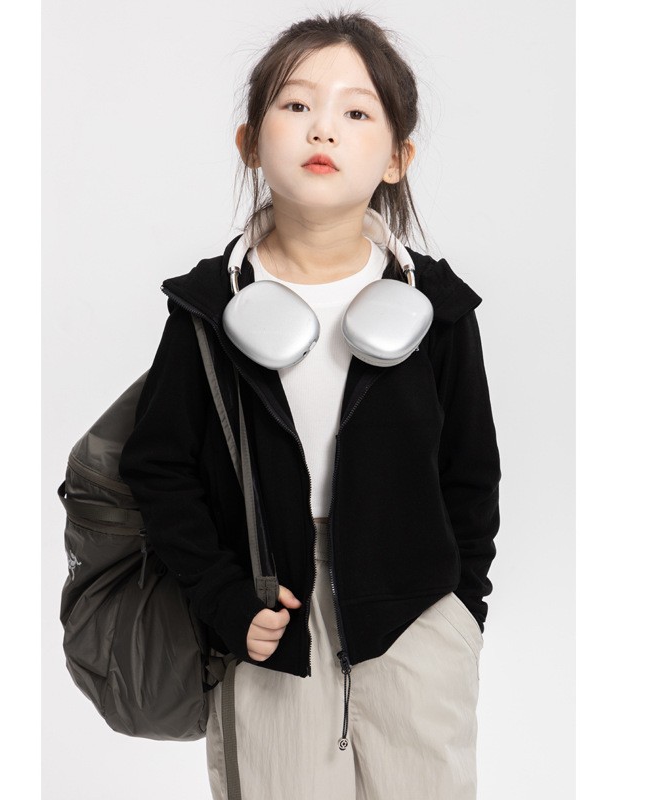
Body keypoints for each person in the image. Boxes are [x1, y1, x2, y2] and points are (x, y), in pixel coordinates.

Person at [118, 11, 501, 800]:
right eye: (295, 105)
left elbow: (471, 474)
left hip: (415, 617)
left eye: (356, 112)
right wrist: (226, 600)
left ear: (396, 158)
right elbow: (158, 470)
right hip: (270, 619)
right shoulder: (206, 310)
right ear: (249, 143)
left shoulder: (437, 309)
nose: (323, 127)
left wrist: (462, 613)